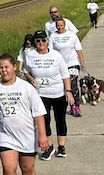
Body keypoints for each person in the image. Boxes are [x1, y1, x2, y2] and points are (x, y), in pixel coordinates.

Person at [24, 30, 72, 160]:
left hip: (58, 93)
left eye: (43, 40)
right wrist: (30, 78)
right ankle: (48, 147)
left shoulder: (56, 55)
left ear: (47, 41)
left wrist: (68, 92)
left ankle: (61, 147)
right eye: (38, 41)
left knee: (60, 119)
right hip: (41, 94)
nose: (41, 43)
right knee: (44, 121)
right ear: (35, 42)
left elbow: (65, 74)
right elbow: (25, 70)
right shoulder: (30, 55)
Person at [49, 17, 86, 117]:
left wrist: (82, 63)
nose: (60, 27)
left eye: (61, 25)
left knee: (73, 85)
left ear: (65, 25)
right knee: (63, 86)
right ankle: (67, 106)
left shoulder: (72, 35)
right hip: (60, 65)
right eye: (58, 26)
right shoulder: (52, 36)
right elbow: (50, 52)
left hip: (72, 63)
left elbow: (79, 49)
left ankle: (76, 107)